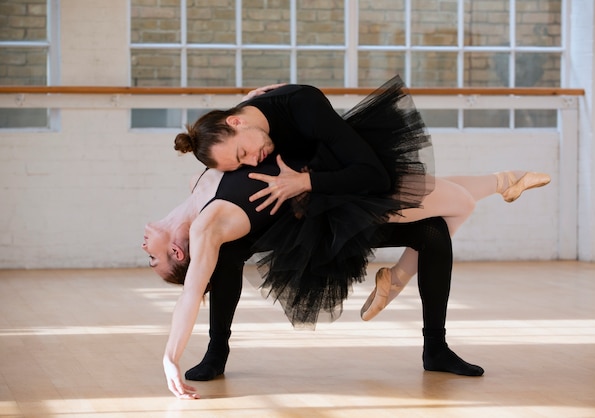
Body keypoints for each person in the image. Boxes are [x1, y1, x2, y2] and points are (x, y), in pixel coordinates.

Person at [173, 76, 550, 326]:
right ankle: (505, 181)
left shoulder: (298, 105)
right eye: (239, 165)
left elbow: (374, 175)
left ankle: (395, 278)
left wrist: (304, 179)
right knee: (459, 201)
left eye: (242, 155)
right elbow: (240, 125)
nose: (252, 163)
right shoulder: (245, 119)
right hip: (328, 188)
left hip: (360, 174)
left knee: (456, 200)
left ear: (237, 122)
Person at [144, 156, 486, 399]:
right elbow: (191, 294)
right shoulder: (207, 228)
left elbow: (233, 136)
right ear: (177, 252)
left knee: (434, 231)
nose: (146, 250)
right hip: (307, 226)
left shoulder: (197, 183)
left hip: (321, 196)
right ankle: (216, 351)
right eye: (152, 259)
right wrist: (169, 358)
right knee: (227, 253)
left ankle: (436, 349)